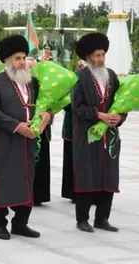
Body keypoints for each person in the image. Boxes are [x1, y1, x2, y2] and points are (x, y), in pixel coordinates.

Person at [0, 34, 51, 240]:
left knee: (26, 180)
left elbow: (45, 105)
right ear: (7, 60)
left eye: (24, 58)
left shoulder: (33, 82)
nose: (22, 62)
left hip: (28, 142)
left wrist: (47, 116)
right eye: (17, 58)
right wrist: (16, 126)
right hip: (5, 141)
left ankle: (21, 223)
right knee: (1, 180)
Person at [72, 33, 124, 233]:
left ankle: (102, 218)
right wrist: (98, 115)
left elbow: (121, 104)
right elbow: (76, 107)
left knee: (108, 175)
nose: (100, 59)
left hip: (109, 136)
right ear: (87, 58)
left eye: (102, 54)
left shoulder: (111, 76)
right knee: (87, 175)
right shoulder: (80, 78)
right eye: (96, 55)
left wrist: (119, 117)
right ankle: (82, 219)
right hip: (87, 135)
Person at [26, 57, 51, 206]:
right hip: (25, 129)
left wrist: (48, 114)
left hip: (42, 129)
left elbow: (51, 106)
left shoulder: (44, 85)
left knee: (41, 163)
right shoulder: (21, 85)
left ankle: (39, 195)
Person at [62, 59, 86, 202]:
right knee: (72, 160)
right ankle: (73, 192)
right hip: (72, 128)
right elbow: (64, 102)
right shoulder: (71, 82)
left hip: (88, 128)